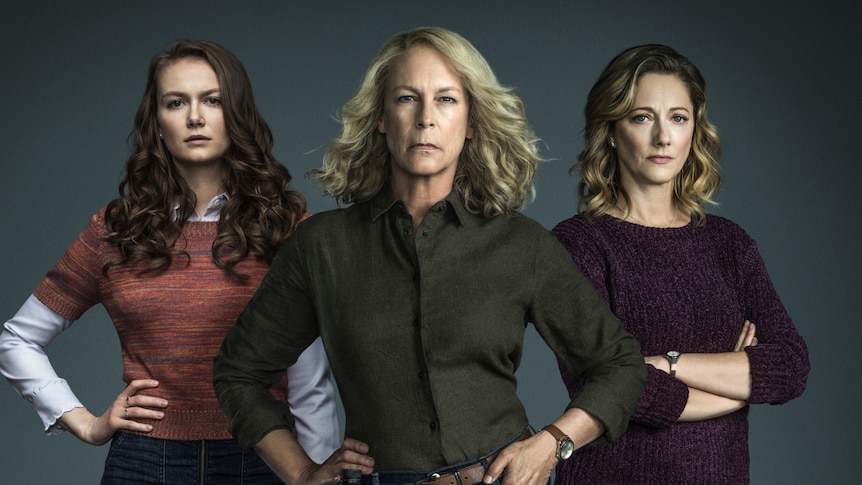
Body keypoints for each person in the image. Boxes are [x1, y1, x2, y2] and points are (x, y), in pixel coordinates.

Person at [213, 27, 645, 485]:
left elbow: (619, 365)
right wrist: (300, 473)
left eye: (446, 100)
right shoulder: (321, 247)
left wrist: (553, 443)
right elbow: (238, 372)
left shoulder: (522, 244)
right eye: (406, 98)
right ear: (381, 116)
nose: (425, 119)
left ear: (472, 121)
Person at [0, 39, 340, 483]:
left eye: (212, 100)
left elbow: (310, 381)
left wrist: (315, 474)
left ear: (236, 114)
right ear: (157, 123)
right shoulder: (115, 229)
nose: (195, 116)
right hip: (143, 463)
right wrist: (84, 422)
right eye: (176, 102)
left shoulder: (284, 226)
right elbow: (16, 341)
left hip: (264, 459)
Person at [551, 44, 810, 484]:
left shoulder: (729, 244)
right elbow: (612, 391)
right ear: (611, 131)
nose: (663, 137)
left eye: (678, 117)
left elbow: (789, 366)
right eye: (641, 117)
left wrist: (668, 364)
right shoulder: (578, 245)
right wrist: (737, 386)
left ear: (694, 130)